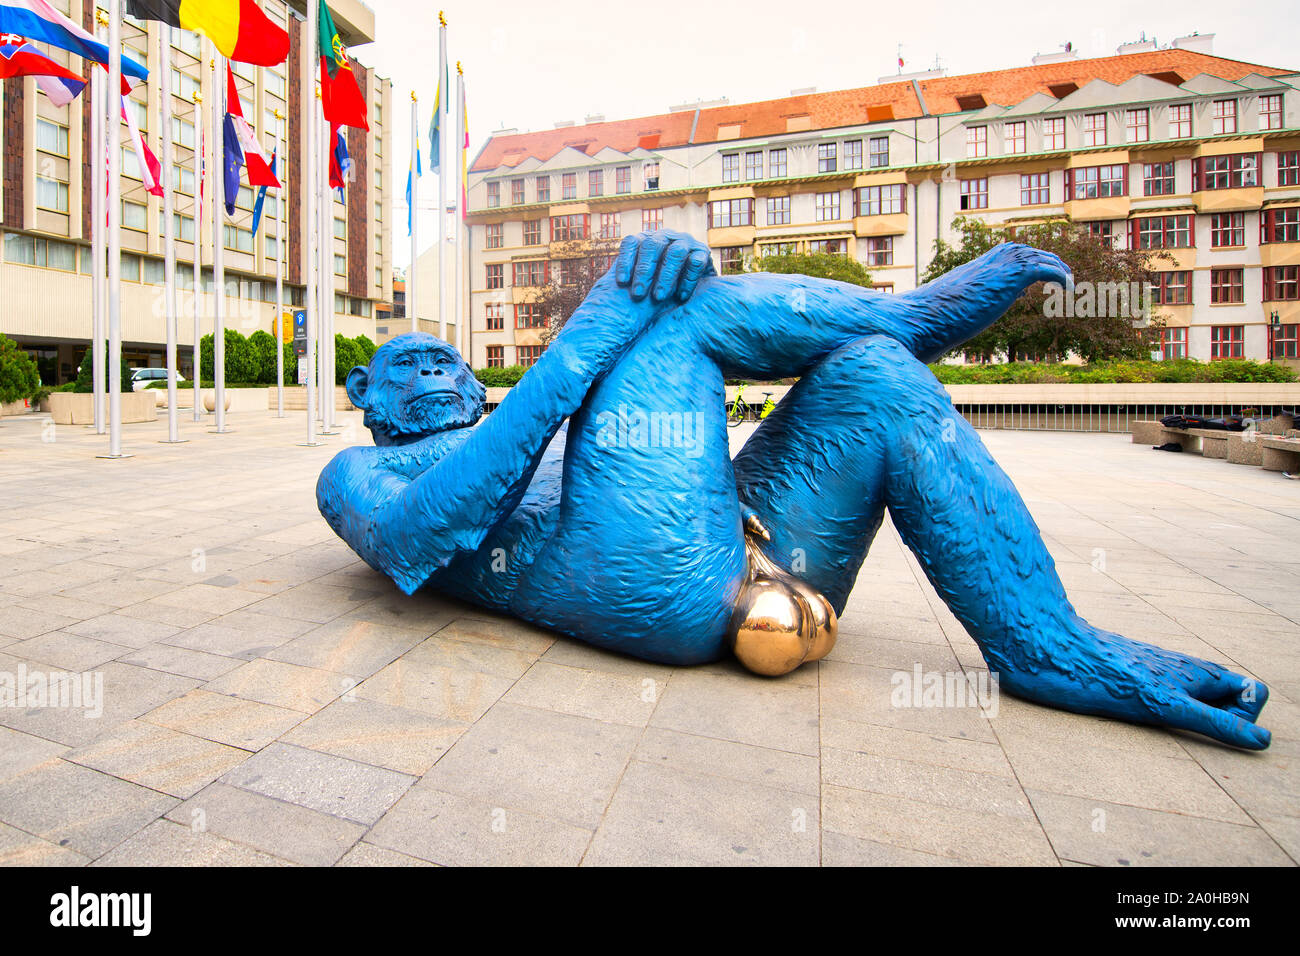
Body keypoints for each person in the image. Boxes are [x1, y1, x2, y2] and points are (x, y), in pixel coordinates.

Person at [318, 231, 1270, 750]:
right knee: (669, 317)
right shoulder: (357, 470)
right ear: (365, 397)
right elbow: (415, 537)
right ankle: (917, 313)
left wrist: (593, 354)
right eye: (410, 365)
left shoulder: (514, 418)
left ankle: (1047, 645)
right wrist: (585, 338)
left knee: (873, 377)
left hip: (758, 549)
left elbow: (651, 457)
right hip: (634, 584)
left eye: (449, 359)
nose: (439, 372)